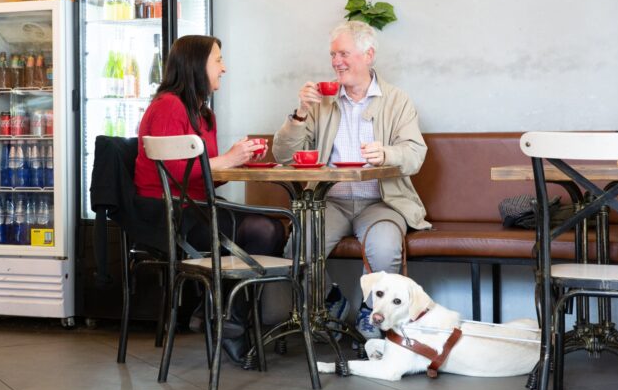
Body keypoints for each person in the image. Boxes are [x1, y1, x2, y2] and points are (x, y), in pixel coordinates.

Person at [272, 21, 430, 341]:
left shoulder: (397, 100)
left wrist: (386, 154)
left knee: (385, 248)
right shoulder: (321, 102)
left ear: (368, 54)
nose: (336, 61)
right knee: (298, 247)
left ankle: (371, 313)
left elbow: (415, 154)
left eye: (344, 53)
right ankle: (331, 302)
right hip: (329, 201)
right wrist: (301, 113)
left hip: (380, 202)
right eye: (333, 54)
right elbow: (284, 155)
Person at [134, 34, 285, 364]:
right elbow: (175, 170)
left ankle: (220, 313)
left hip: (197, 207)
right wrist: (228, 159)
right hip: (167, 213)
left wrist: (238, 161)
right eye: (218, 60)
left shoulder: (203, 114)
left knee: (273, 228)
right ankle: (228, 322)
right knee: (264, 231)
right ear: (195, 65)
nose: (224, 68)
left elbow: (204, 175)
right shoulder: (168, 106)